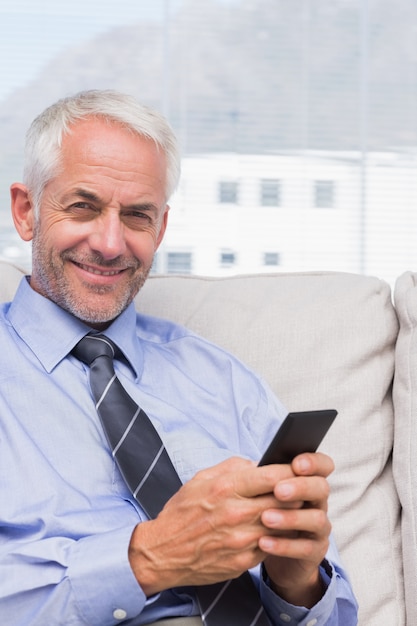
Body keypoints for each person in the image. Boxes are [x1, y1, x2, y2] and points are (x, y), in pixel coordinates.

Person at [0, 89, 358, 625]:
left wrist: (298, 581)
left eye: (138, 216)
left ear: (161, 229)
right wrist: (148, 559)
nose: (110, 242)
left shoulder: (223, 379)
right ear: (26, 212)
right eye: (84, 206)